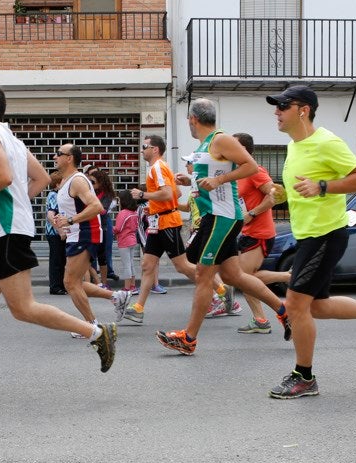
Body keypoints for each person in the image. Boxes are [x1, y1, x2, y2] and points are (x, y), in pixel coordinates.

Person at [0, 84, 116, 396]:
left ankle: (96, 333)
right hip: (0, 229)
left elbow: (3, 178)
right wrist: (17, 203)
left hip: (5, 230)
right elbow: (43, 179)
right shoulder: (13, 139)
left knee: (23, 308)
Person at [264, 86, 356, 398]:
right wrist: (283, 195)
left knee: (295, 304)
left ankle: (303, 377)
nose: (276, 112)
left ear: (303, 110)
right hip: (308, 235)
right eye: (276, 107)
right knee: (315, 307)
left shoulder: (326, 142)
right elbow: (303, 189)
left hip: (324, 235)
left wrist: (322, 186)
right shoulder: (295, 146)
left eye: (282, 106)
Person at [155, 99, 290, 355]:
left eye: (189, 121)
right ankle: (285, 312)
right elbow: (212, 177)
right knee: (232, 276)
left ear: (192, 119)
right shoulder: (206, 145)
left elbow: (250, 165)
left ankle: (189, 338)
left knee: (204, 276)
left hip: (222, 217)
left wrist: (219, 180)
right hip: (215, 215)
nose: (189, 125)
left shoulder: (220, 139)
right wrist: (190, 179)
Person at [123, 135, 202, 323]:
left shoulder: (157, 167)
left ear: (155, 149)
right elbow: (177, 192)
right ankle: (138, 309)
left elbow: (167, 193)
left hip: (167, 222)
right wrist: (154, 205)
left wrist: (143, 194)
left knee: (182, 266)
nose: (142, 149)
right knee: (147, 265)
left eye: (145, 146)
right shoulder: (160, 167)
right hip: (157, 222)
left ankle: (220, 291)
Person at [52, 145, 131, 328]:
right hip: (76, 234)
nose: (54, 157)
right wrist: (61, 221)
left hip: (85, 233)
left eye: (58, 154)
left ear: (69, 158)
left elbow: (96, 206)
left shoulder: (78, 180)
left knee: (70, 283)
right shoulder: (65, 181)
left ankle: (91, 326)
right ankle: (117, 296)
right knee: (75, 282)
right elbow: (72, 208)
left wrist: (70, 220)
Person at [231, 132, 290, 333]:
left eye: (234, 146)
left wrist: (252, 213)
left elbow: (273, 196)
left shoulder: (254, 170)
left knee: (243, 277)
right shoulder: (240, 171)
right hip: (249, 231)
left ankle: (287, 277)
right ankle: (260, 320)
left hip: (260, 232)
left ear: (244, 150)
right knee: (245, 278)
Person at [44, 171, 68, 295]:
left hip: (58, 232)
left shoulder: (59, 195)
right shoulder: (53, 195)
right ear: (58, 183)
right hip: (54, 233)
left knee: (61, 259)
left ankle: (61, 285)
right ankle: (55, 286)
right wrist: (60, 231)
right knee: (56, 260)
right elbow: (50, 215)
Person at [114, 191, 140, 294]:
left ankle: (127, 288)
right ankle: (133, 286)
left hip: (124, 241)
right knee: (131, 264)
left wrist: (109, 228)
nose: (118, 202)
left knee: (126, 265)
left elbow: (117, 229)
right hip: (132, 240)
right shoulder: (134, 213)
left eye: (119, 200)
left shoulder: (122, 213)